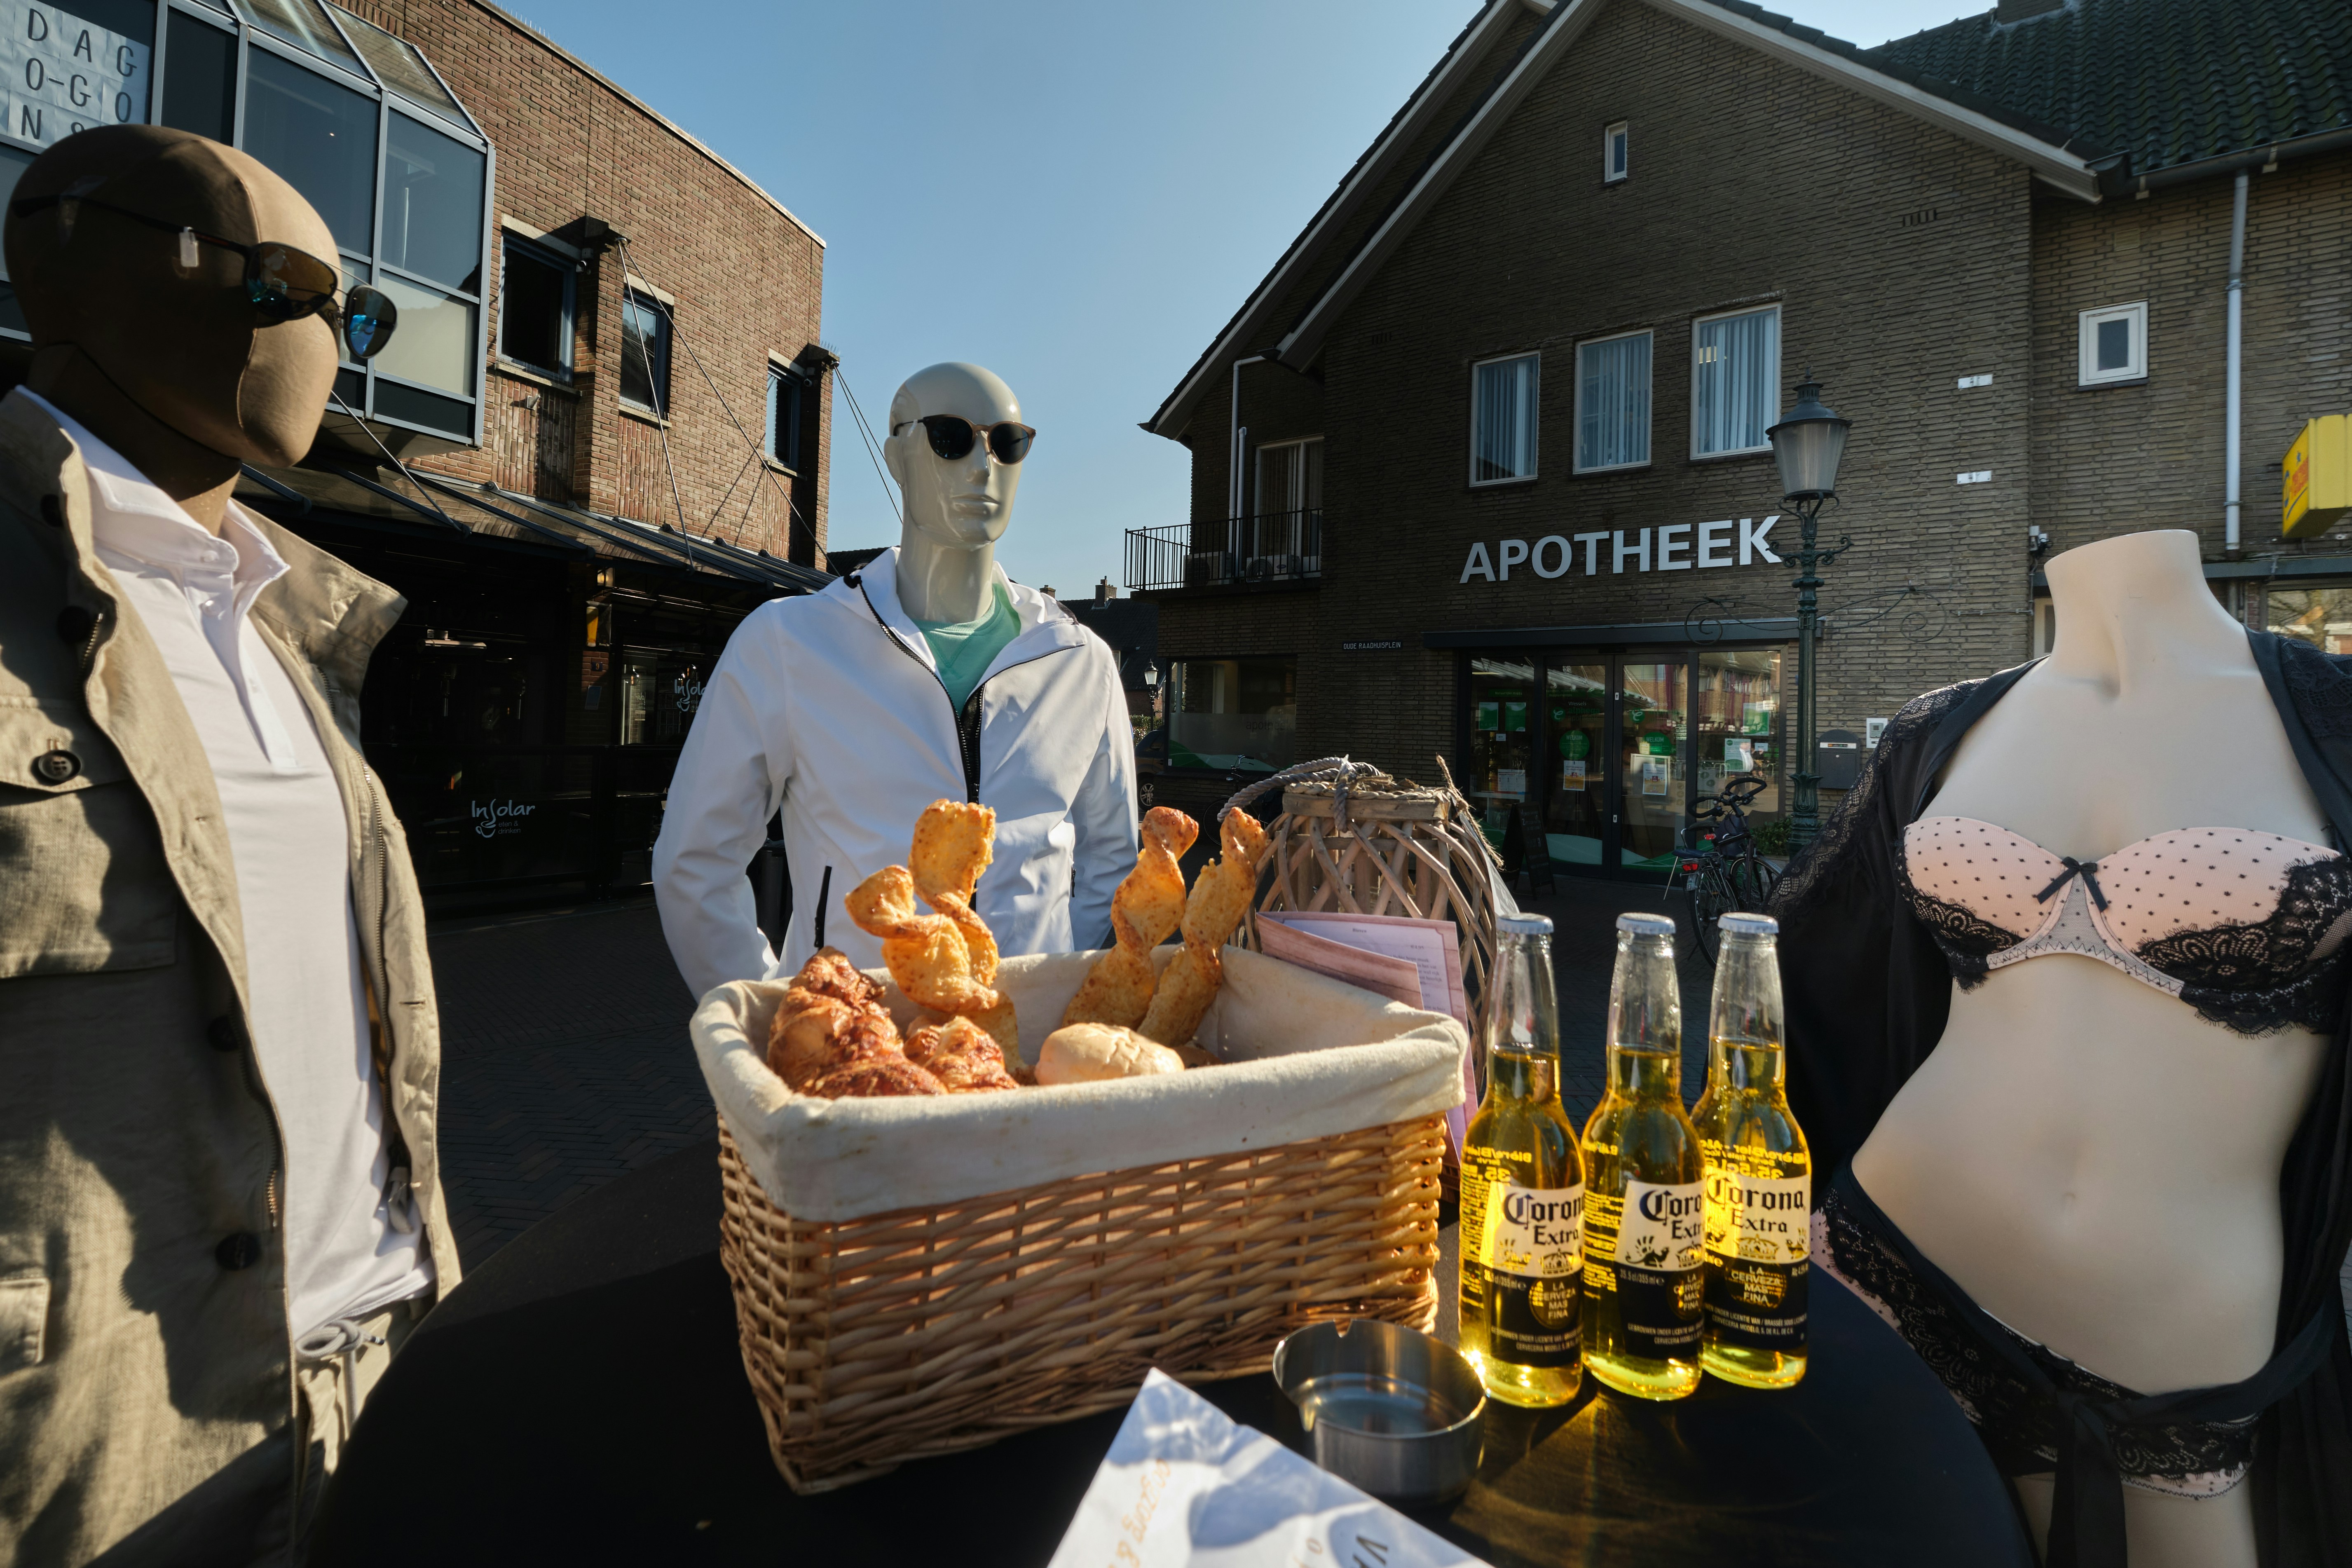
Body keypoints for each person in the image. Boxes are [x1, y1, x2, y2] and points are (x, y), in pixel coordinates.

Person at [0, 127, 454, 1565]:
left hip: (386, 1379)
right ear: (75, 264)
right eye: (282, 284)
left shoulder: (292, 626)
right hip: (109, 1457)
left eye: (354, 308)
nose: (328, 332)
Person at [1772, 530, 2352, 1568]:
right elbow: (1825, 967)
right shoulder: (1943, 731)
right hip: (1895, 1252)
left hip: (2173, 1341)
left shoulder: (2333, 719)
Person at [654, 362, 1136, 998]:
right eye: (951, 436)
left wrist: (1046, 987)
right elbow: (695, 860)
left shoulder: (1080, 662)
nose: (983, 463)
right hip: (859, 1060)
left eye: (1008, 442)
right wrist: (776, 1015)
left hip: (1017, 1060)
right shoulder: (789, 645)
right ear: (895, 456)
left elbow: (1114, 859)